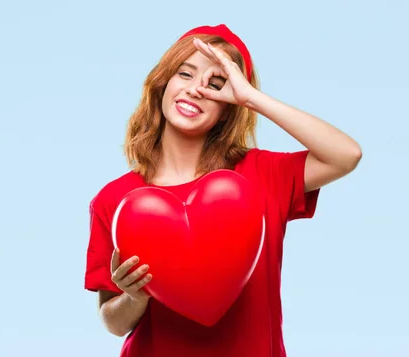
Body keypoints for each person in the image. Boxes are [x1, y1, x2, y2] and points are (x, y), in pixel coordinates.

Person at [84, 24, 362, 357]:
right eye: (185, 74)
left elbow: (346, 155)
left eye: (216, 85)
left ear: (229, 107)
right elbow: (114, 323)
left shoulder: (262, 175)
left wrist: (252, 98)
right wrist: (135, 297)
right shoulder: (115, 200)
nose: (197, 90)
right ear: (163, 83)